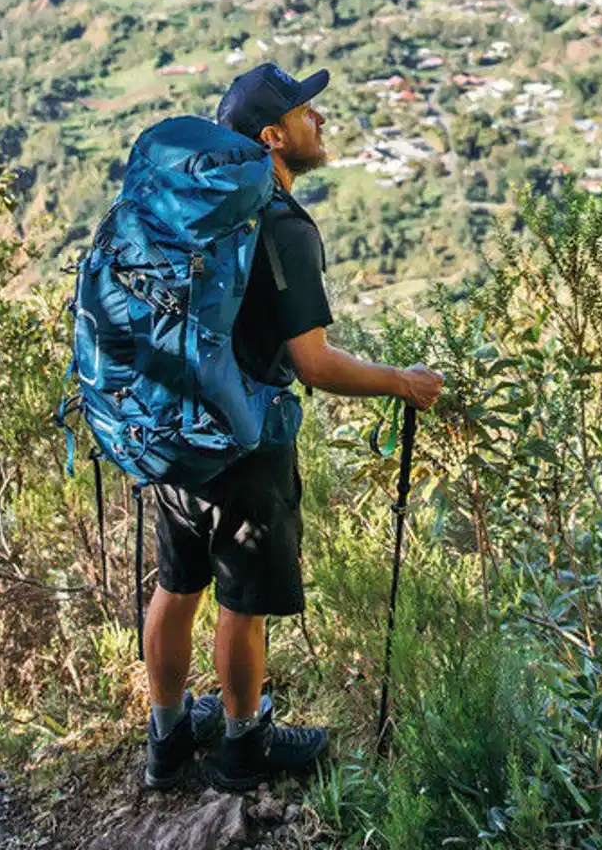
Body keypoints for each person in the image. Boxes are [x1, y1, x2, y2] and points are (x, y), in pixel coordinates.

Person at [142, 59, 445, 791]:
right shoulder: (280, 226)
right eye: (306, 113)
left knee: (176, 585)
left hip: (173, 425)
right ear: (273, 138)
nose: (320, 120)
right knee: (241, 602)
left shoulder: (196, 205)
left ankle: (167, 738)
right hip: (245, 441)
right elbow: (314, 363)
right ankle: (243, 744)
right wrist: (402, 382)